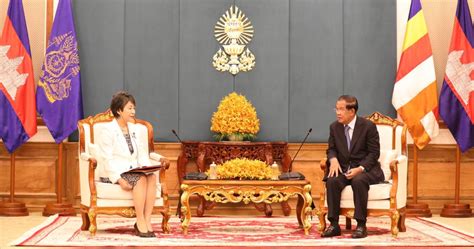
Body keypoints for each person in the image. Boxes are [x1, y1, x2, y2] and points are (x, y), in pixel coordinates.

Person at [97, 91, 170, 238]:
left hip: (134, 170)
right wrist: (119, 179)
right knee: (141, 179)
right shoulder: (107, 130)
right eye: (130, 108)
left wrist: (146, 169)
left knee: (150, 177)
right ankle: (140, 220)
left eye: (134, 108)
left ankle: (147, 219)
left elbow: (142, 154)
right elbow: (107, 159)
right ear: (119, 110)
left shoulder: (136, 129)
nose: (133, 112)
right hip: (115, 173)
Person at [321, 95, 384, 239]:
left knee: (358, 181)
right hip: (344, 169)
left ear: (352, 111)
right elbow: (331, 148)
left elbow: (374, 154)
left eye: (341, 109)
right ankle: (334, 224)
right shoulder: (334, 127)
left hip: (365, 170)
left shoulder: (368, 127)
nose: (338, 112)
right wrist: (333, 159)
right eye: (336, 109)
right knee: (332, 181)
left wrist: (360, 168)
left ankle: (361, 225)